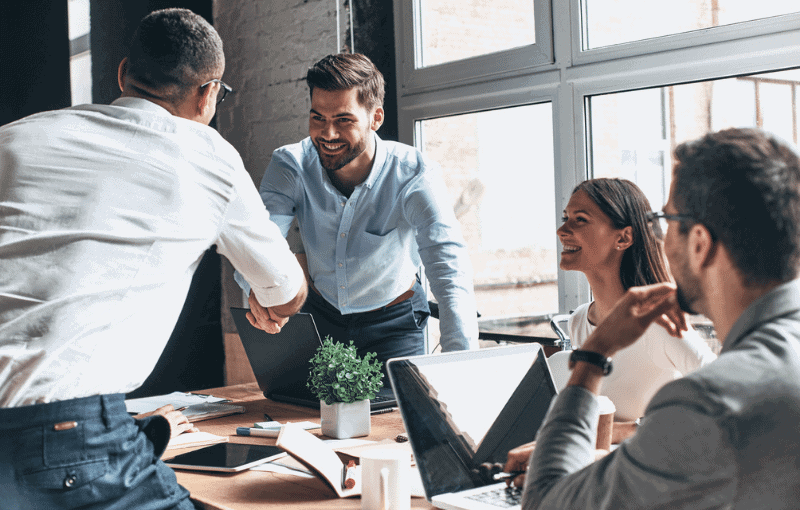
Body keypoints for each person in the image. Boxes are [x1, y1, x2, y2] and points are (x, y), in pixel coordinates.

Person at [0, 8, 306, 509]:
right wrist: (276, 301)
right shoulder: (206, 155)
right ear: (209, 95)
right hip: (67, 439)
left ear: (123, 74)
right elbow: (285, 290)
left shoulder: (14, 137)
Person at [505, 127, 800, 509]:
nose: (657, 235)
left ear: (699, 243)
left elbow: (547, 503)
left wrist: (593, 356)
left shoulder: (709, 403)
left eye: (666, 218)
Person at [237, 53, 478, 362]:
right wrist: (259, 289)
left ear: (375, 118)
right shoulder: (291, 164)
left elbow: (449, 267)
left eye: (344, 120)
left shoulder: (414, 174)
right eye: (318, 118)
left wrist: (461, 362)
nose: (328, 134)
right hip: (320, 316)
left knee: (398, 410)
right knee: (302, 409)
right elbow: (258, 239)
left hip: (394, 324)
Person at [557, 178, 716, 433]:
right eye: (566, 217)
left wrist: (623, 430)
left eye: (580, 219)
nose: (562, 230)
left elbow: (727, 395)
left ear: (624, 237)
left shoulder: (659, 324)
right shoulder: (579, 321)